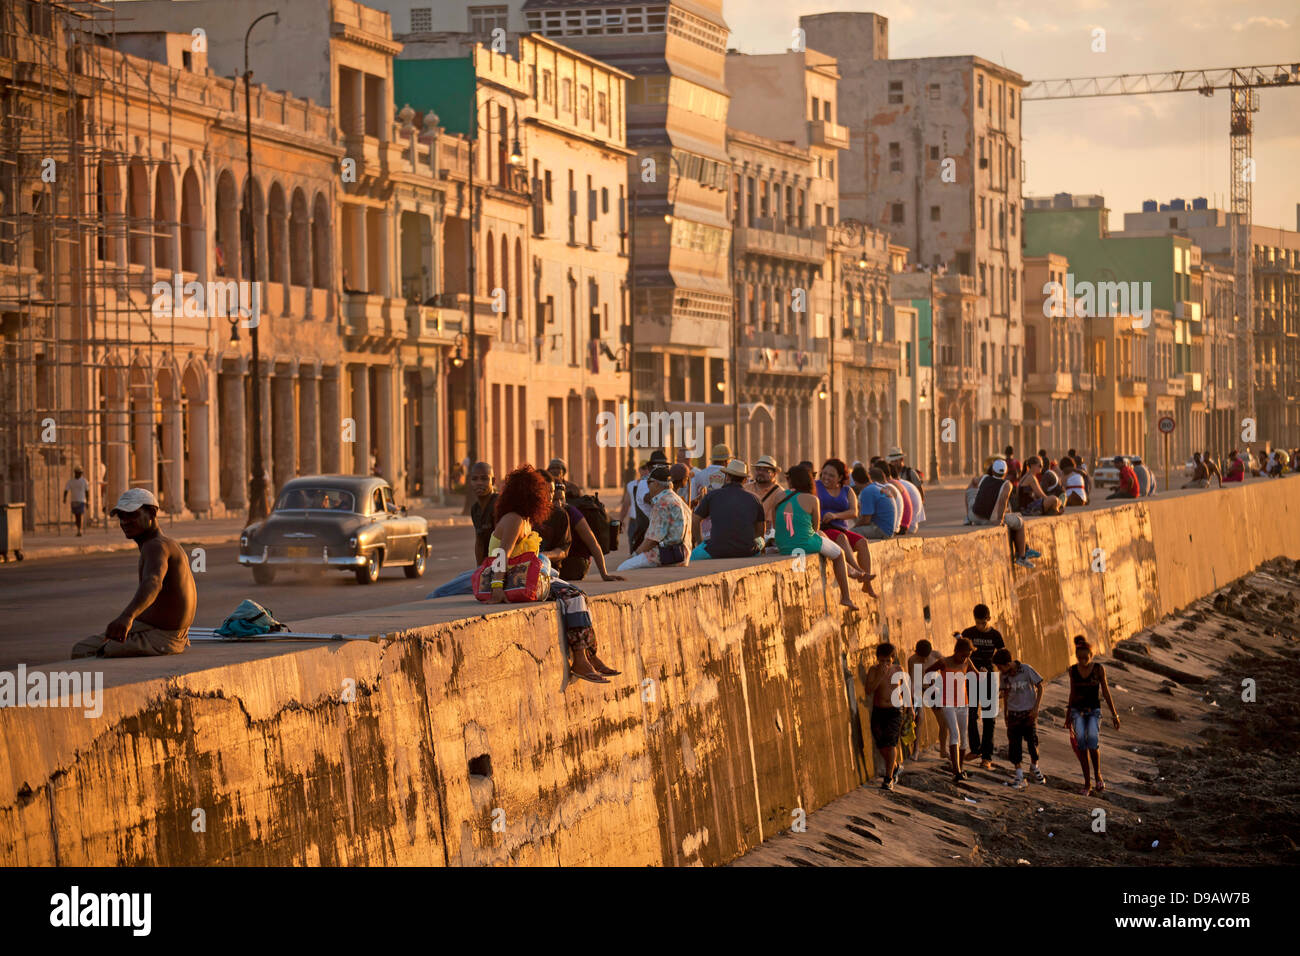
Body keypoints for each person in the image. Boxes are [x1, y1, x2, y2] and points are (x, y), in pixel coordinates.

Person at [483, 465, 615, 683]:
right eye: (541, 491)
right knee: (572, 596)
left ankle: (589, 655)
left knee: (577, 594)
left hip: (524, 578)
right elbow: (500, 554)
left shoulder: (523, 519)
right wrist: (496, 588)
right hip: (510, 582)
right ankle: (581, 660)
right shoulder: (514, 519)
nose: (546, 497)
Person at [71, 489, 196, 659]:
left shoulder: (156, 546)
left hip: (162, 637)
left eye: (132, 515)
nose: (125, 522)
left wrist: (127, 617)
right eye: (121, 516)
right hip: (160, 631)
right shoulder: (161, 544)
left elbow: (153, 581)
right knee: (97, 642)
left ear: (152, 513)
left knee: (85, 650)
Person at [773, 464, 861, 608]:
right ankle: (846, 597)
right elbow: (815, 527)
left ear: (791, 481)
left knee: (821, 536)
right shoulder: (812, 499)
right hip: (805, 543)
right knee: (839, 554)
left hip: (783, 544)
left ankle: (851, 570)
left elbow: (777, 525)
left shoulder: (779, 496)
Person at [538, 472, 624, 582]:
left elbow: (593, 543)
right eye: (554, 500)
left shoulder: (571, 512)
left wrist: (604, 574)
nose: (558, 503)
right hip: (552, 560)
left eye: (562, 499)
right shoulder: (542, 513)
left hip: (575, 562)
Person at [429, 461, 498, 598]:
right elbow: (479, 541)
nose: (479, 483)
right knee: (460, 577)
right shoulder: (475, 509)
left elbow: (503, 545)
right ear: (469, 482)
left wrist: (496, 581)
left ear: (493, 481)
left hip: (499, 572)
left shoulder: (498, 505)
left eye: (484, 479)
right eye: (475, 479)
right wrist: (479, 570)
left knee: (437, 594)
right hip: (486, 569)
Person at [1065, 639, 1120, 795]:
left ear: (1091, 655)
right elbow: (1072, 693)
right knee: (1081, 743)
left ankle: (1098, 775)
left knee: (1092, 741)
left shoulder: (1098, 669)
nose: (1082, 661)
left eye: (1085, 657)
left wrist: (1114, 714)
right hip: (1077, 711)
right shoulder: (1073, 671)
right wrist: (1068, 716)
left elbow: (1106, 692)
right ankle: (1087, 783)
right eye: (1079, 657)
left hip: (1094, 711)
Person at [816, 458, 877, 594]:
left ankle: (866, 585)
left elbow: (853, 512)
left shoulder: (847, 490)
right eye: (824, 473)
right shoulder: (816, 487)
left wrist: (836, 515)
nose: (826, 477)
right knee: (841, 538)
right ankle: (859, 572)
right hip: (824, 528)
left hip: (840, 527)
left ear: (840, 478)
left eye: (831, 475)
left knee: (862, 542)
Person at [967, 459, 1038, 568]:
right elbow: (1003, 502)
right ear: (1005, 473)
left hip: (974, 516)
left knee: (970, 492)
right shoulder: (1007, 484)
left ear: (993, 471)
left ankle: (966, 519)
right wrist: (999, 520)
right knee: (1020, 522)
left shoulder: (984, 478)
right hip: (989, 520)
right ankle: (1022, 557)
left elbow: (973, 481)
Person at [618, 465, 692, 570]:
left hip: (668, 556)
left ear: (656, 484)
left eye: (649, 482)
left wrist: (634, 555)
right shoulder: (678, 500)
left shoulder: (662, 504)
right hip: (683, 556)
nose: (647, 486)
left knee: (623, 567)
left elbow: (652, 540)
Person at [925, 636, 977, 783]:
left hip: (963, 703)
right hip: (947, 702)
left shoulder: (967, 661)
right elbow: (928, 673)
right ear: (956, 651)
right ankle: (956, 771)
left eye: (968, 656)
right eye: (963, 655)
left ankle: (960, 769)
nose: (964, 658)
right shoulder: (944, 662)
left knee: (963, 737)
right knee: (954, 734)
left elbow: (977, 675)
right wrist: (933, 692)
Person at [691, 459, 765, 560]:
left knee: (692, 557)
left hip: (716, 550)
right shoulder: (755, 499)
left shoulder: (712, 496)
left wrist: (700, 542)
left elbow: (695, 519)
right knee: (761, 542)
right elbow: (760, 532)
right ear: (744, 480)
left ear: (727, 477)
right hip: (747, 551)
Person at [993, 648, 1046, 789]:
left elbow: (1040, 686)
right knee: (1014, 746)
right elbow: (1005, 693)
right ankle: (1019, 775)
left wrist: (1036, 708)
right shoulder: (1003, 676)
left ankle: (1034, 767)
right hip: (1013, 714)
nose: (999, 669)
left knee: (1032, 743)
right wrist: (1005, 713)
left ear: (1008, 663)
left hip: (1028, 713)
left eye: (1000, 666)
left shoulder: (1026, 669)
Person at [864, 642, 913, 791]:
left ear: (893, 658)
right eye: (882, 660)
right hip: (879, 711)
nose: (885, 663)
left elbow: (905, 690)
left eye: (888, 660)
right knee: (881, 744)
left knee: (891, 743)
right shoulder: (873, 670)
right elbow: (869, 690)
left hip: (895, 711)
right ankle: (896, 766)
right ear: (877, 658)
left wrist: (910, 708)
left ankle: (888, 778)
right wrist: (880, 675)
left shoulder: (898, 669)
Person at [962, 603, 1005, 769]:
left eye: (982, 623)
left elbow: (1003, 657)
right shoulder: (968, 633)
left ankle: (987, 756)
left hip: (989, 678)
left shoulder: (995, 636)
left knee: (989, 718)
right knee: (971, 715)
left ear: (989, 619)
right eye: (977, 622)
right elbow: (962, 655)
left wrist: (1002, 684)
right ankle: (975, 749)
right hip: (971, 678)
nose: (980, 626)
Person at [907, 639, 943, 759]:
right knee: (920, 717)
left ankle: (943, 749)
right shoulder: (912, 660)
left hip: (932, 687)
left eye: (926, 657)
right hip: (918, 687)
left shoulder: (936, 655)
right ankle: (916, 750)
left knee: (942, 718)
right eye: (921, 657)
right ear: (916, 652)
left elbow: (947, 666)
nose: (923, 660)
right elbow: (912, 680)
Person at [744, 454, 784, 541]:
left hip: (765, 536)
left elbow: (770, 524)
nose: (760, 472)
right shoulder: (745, 488)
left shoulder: (780, 493)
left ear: (774, 473)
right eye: (758, 469)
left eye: (766, 470)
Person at [855, 466, 897, 540]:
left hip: (882, 531)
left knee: (849, 533)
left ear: (855, 482)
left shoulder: (867, 491)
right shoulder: (878, 486)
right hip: (889, 530)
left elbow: (866, 520)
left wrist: (854, 526)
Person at [64, 465, 90, 536]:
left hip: (81, 500)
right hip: (74, 501)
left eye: (80, 473)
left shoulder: (84, 481)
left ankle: (79, 530)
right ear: (75, 473)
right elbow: (66, 490)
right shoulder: (71, 481)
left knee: (80, 515)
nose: (79, 474)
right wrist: (64, 498)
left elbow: (87, 492)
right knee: (76, 516)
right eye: (78, 472)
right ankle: (78, 529)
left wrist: (88, 501)